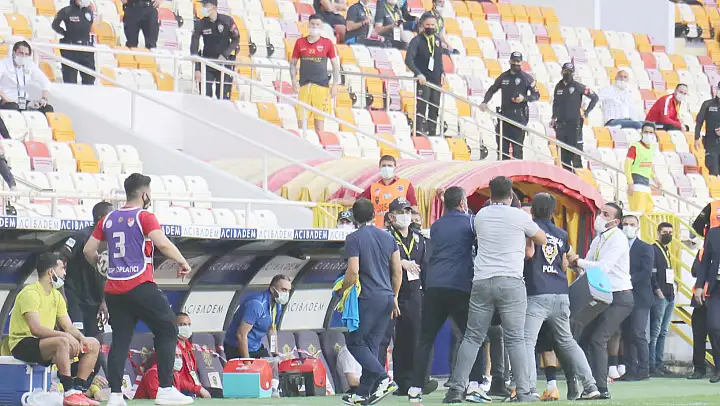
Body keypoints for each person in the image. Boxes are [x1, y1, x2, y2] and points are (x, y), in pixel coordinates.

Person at [82, 173, 193, 406]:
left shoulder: (108, 219)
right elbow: (162, 243)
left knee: (120, 340)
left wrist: (103, 266)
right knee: (168, 329)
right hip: (140, 284)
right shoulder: (144, 216)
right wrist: (182, 261)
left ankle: (115, 395)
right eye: (149, 193)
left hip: (114, 289)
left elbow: (88, 251)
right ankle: (165, 388)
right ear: (144, 194)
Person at [445, 176, 547, 404]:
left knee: (472, 336)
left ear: (490, 195)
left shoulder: (481, 215)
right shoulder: (519, 216)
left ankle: (456, 389)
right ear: (511, 195)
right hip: (511, 281)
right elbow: (541, 238)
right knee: (515, 339)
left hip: (482, 280)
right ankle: (523, 392)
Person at [522, 193, 601, 400]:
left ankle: (528, 388)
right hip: (560, 292)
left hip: (537, 291)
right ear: (553, 211)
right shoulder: (562, 234)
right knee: (567, 341)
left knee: (527, 342)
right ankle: (590, 385)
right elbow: (564, 265)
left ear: (533, 210)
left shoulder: (529, 229)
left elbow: (528, 255)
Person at [406, 186, 474, 403]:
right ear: (462, 203)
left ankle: (415, 388)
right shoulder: (470, 223)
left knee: (425, 338)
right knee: (471, 337)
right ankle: (474, 383)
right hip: (459, 285)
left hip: (435, 285)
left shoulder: (436, 226)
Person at [9, 253, 101, 406]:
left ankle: (78, 391)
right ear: (51, 272)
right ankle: (69, 393)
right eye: (62, 268)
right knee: (62, 341)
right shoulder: (30, 293)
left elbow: (69, 327)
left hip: (46, 344)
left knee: (93, 344)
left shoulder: (56, 296)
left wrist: (82, 338)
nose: (64, 273)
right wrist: (66, 336)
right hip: (22, 344)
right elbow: (36, 329)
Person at [340, 198, 402, 405]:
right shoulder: (388, 238)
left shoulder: (353, 238)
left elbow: (353, 271)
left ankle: (383, 379)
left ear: (354, 217)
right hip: (387, 296)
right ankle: (363, 392)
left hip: (368, 297)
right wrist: (394, 297)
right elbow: (397, 272)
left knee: (354, 341)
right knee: (372, 345)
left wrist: (342, 289)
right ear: (374, 215)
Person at [569, 203, 633, 399]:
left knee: (598, 339)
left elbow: (603, 267)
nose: (600, 217)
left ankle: (601, 388)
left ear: (616, 221)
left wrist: (578, 261)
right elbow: (588, 266)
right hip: (601, 295)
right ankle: (591, 387)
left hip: (620, 296)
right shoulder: (598, 239)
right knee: (584, 339)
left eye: (606, 214)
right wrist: (576, 266)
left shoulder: (618, 238)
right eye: (600, 212)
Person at [377, 198, 435, 396]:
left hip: (414, 293)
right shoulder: (385, 237)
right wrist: (400, 262)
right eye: (401, 212)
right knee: (385, 339)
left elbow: (425, 266)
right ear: (391, 217)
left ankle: (412, 381)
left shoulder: (420, 238)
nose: (406, 216)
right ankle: (380, 381)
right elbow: (379, 261)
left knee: (412, 338)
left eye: (408, 211)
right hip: (391, 293)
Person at [60, 202, 114, 341]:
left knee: (96, 341)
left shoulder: (113, 240)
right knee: (77, 339)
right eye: (111, 215)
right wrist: (62, 292)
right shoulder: (81, 235)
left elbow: (108, 274)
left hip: (95, 301)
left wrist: (104, 301)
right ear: (101, 217)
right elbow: (61, 260)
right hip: (75, 297)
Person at [136, 313, 212, 400]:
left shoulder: (177, 370)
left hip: (189, 388)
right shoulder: (154, 372)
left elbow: (183, 381)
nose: (179, 359)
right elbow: (158, 400)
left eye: (180, 356)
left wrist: (199, 389)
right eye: (182, 324)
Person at [480, 51, 540, 160]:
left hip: (519, 118)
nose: (516, 63)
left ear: (521, 62)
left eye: (518, 61)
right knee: (502, 150)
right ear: (510, 61)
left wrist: (524, 98)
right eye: (514, 61)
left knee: (517, 150)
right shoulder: (504, 76)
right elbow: (492, 89)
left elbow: (536, 95)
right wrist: (485, 102)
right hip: (504, 116)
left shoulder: (527, 78)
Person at [290, 14, 340, 133]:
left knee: (319, 126)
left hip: (321, 87)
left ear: (321, 26)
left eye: (317, 24)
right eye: (312, 24)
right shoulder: (300, 42)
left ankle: (318, 143)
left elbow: (335, 65)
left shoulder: (327, 43)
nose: (314, 27)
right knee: (301, 124)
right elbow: (293, 63)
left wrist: (335, 85)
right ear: (308, 25)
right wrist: (293, 80)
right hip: (304, 86)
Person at [618, 215, 654, 381]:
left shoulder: (645, 247)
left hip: (640, 297)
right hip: (622, 296)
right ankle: (630, 368)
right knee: (626, 333)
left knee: (638, 332)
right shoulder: (617, 247)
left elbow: (646, 272)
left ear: (637, 227)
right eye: (625, 224)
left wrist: (626, 280)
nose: (628, 227)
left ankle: (644, 369)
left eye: (632, 224)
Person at [337, 155, 418, 227]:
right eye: (384, 166)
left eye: (389, 166)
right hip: (380, 228)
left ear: (395, 168)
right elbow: (356, 201)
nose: (386, 168)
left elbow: (414, 206)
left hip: (399, 228)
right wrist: (337, 201)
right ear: (380, 168)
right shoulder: (373, 187)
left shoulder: (405, 184)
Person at [224, 274, 291, 359]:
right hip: (236, 347)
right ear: (272, 290)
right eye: (283, 290)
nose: (286, 294)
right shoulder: (257, 304)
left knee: (271, 365)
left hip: (256, 347)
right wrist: (247, 361)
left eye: (288, 291)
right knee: (251, 367)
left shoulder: (277, 305)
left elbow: (272, 329)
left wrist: (275, 353)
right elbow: (241, 335)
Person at [0, 41, 54, 139]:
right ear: (14, 52)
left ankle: (45, 137)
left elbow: (45, 82)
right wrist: (6, 98)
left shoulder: (30, 65)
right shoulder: (4, 63)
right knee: (14, 106)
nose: (23, 56)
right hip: (7, 101)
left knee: (48, 108)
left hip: (23, 101)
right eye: (21, 53)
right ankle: (12, 137)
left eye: (26, 54)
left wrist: (44, 98)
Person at [551, 62, 598, 171]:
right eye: (566, 71)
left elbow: (594, 97)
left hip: (574, 124)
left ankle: (577, 177)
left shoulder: (577, 86)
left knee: (574, 154)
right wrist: (553, 117)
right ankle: (567, 176)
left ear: (573, 73)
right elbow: (555, 103)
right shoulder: (558, 86)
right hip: (560, 124)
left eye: (570, 72)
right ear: (562, 72)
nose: (567, 73)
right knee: (563, 156)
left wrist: (586, 113)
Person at [190, 0, 240, 100]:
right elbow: (194, 46)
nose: (202, 7)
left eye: (205, 5)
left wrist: (225, 54)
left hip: (224, 63)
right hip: (207, 63)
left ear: (213, 7)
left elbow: (236, 39)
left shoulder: (227, 20)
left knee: (222, 96)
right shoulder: (201, 23)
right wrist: (197, 68)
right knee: (205, 96)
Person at [405, 15, 444, 137]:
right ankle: (418, 133)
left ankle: (432, 133)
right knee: (422, 107)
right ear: (422, 26)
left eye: (432, 25)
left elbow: (439, 60)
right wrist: (418, 73)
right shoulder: (416, 40)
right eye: (427, 25)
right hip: (423, 80)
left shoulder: (437, 41)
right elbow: (408, 60)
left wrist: (442, 73)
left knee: (434, 108)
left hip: (436, 81)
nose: (430, 27)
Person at [649, 222, 677, 377]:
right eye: (665, 232)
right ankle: (651, 364)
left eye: (670, 232)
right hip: (660, 296)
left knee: (663, 331)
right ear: (658, 232)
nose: (668, 235)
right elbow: (652, 274)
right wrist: (658, 291)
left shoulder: (666, 251)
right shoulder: (653, 250)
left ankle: (660, 364)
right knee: (655, 331)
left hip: (669, 295)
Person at [694, 222, 720, 383]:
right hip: (716, 286)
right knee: (713, 326)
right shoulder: (713, 233)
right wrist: (699, 286)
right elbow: (705, 262)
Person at [52, 0, 96, 85]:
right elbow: (55, 25)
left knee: (89, 79)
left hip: (86, 49)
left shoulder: (89, 11)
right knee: (70, 79)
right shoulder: (66, 11)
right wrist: (65, 34)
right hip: (70, 48)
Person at [625, 122, 661, 213]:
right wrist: (630, 183)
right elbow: (627, 165)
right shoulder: (635, 147)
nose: (648, 134)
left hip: (646, 184)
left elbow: (648, 166)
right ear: (641, 133)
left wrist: (655, 178)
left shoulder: (652, 148)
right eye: (646, 132)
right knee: (638, 212)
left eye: (651, 132)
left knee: (649, 212)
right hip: (636, 183)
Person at [695, 83, 720, 177]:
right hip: (711, 144)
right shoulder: (708, 104)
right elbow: (699, 121)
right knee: (713, 171)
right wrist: (696, 137)